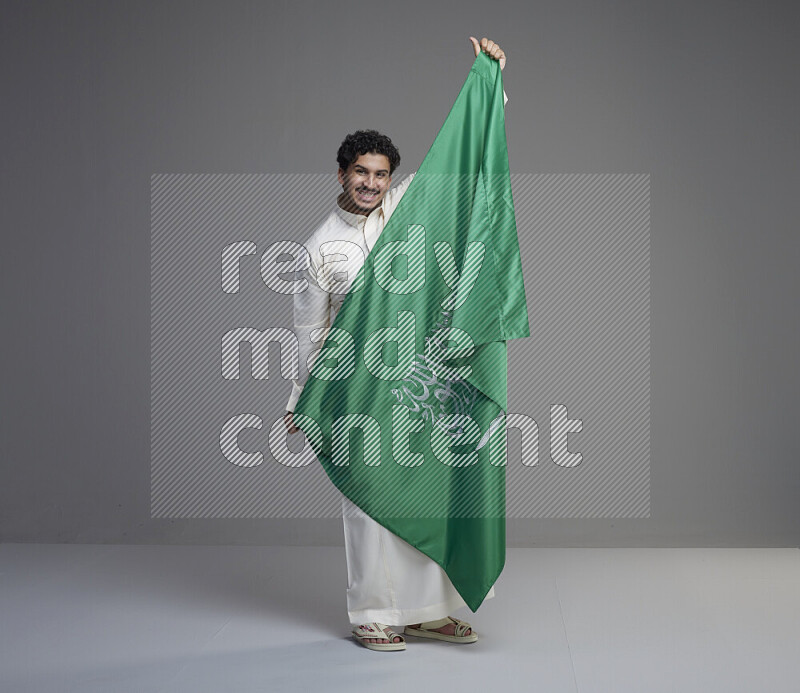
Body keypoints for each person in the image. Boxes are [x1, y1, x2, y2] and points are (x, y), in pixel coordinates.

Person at [284, 36, 508, 651]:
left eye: (382, 175)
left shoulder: (404, 212)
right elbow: (307, 330)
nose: (372, 185)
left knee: (423, 483)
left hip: (414, 379)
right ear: (341, 173)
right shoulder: (320, 246)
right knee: (366, 500)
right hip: (354, 384)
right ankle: (373, 615)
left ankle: (430, 609)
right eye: (361, 173)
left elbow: (457, 169)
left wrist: (489, 86)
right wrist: (302, 398)